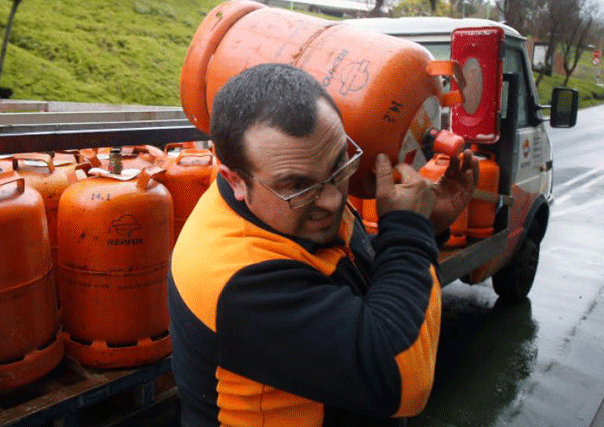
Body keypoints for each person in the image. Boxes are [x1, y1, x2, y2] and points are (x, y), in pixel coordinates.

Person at [168, 63, 478, 426]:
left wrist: (427, 226)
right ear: (234, 180)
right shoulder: (232, 277)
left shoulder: (289, 207)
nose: (332, 200)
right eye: (297, 185)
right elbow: (403, 375)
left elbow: (343, 269)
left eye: (338, 166)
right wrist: (409, 231)